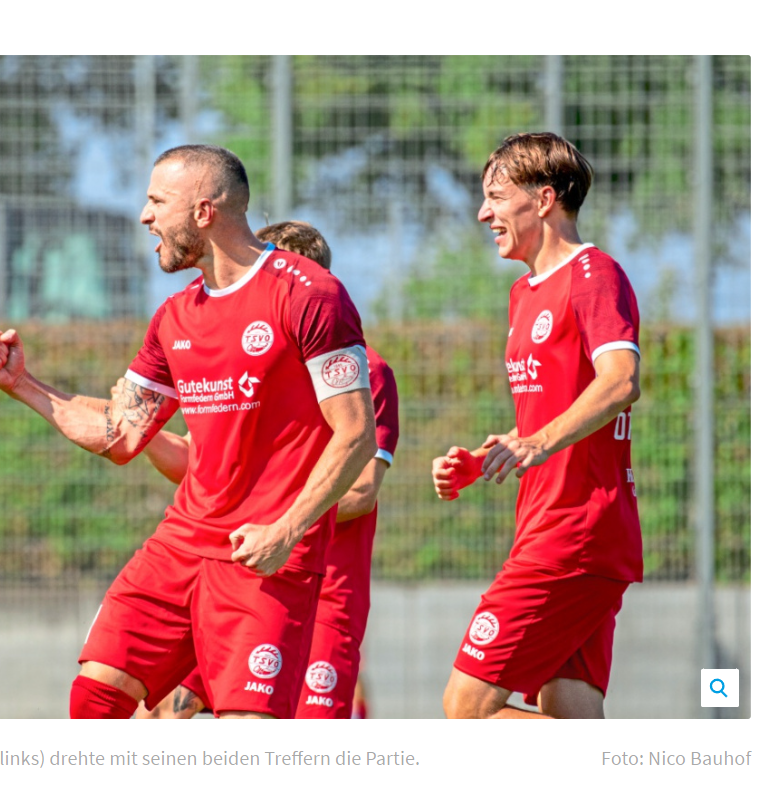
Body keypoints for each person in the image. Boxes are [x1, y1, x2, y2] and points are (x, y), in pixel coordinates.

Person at [0, 146, 376, 719]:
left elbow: (356, 434)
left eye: (157, 202)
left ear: (204, 211)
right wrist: (24, 385)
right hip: (180, 547)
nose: (145, 216)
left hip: (262, 559)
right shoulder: (174, 315)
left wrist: (286, 530)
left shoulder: (308, 294)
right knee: (94, 700)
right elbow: (121, 434)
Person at [133, 221, 399, 720]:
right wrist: (138, 430)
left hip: (323, 596)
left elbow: (362, 491)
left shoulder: (366, 370)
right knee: (163, 710)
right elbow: (195, 462)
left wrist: (277, 520)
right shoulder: (250, 364)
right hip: (234, 580)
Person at [431, 132, 641, 719]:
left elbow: (621, 381)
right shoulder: (522, 294)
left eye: (496, 197)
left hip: (574, 533)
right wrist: (490, 457)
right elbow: (553, 412)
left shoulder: (594, 274)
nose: (483, 213)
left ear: (544, 199)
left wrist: (539, 441)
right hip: (552, 527)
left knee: (467, 709)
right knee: (567, 708)